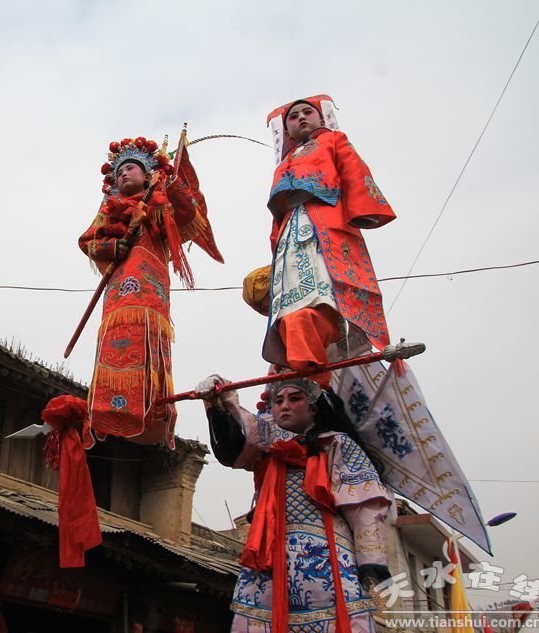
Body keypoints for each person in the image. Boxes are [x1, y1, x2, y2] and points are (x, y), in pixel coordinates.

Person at [197, 372, 392, 632]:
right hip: (269, 555)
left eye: (295, 399)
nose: (285, 406)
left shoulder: (336, 444)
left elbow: (364, 504)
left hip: (327, 556)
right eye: (278, 401)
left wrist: (371, 560)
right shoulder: (266, 445)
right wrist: (217, 400)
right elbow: (236, 438)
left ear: (313, 408)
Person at [78, 136, 222, 447]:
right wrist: (114, 246)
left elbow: (190, 212)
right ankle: (109, 406)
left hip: (151, 289)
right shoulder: (109, 210)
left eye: (130, 169)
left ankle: (151, 408)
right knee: (115, 341)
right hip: (117, 294)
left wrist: (169, 180)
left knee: (150, 343)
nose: (123, 174)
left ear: (146, 174)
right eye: (119, 171)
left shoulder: (160, 201)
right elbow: (88, 241)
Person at [262, 95, 396, 387]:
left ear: (321, 118)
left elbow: (353, 172)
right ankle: (306, 360)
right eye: (293, 116)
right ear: (287, 130)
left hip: (326, 220)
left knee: (327, 287)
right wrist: (275, 245)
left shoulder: (334, 140)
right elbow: (276, 213)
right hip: (291, 228)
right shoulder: (284, 161)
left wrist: (361, 211)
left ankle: (327, 337)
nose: (301, 118)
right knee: (292, 299)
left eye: (307, 112)